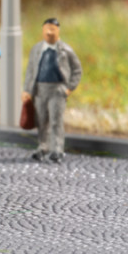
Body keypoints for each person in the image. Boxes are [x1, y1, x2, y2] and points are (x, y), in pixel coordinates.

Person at [23, 18, 82, 164]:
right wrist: (27, 90)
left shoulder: (66, 50)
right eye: (46, 29)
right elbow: (30, 70)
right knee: (41, 120)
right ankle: (43, 147)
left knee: (56, 121)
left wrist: (69, 88)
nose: (49, 32)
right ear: (42, 30)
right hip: (40, 90)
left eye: (52, 29)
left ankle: (57, 149)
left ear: (58, 31)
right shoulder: (36, 49)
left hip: (57, 90)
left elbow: (77, 70)